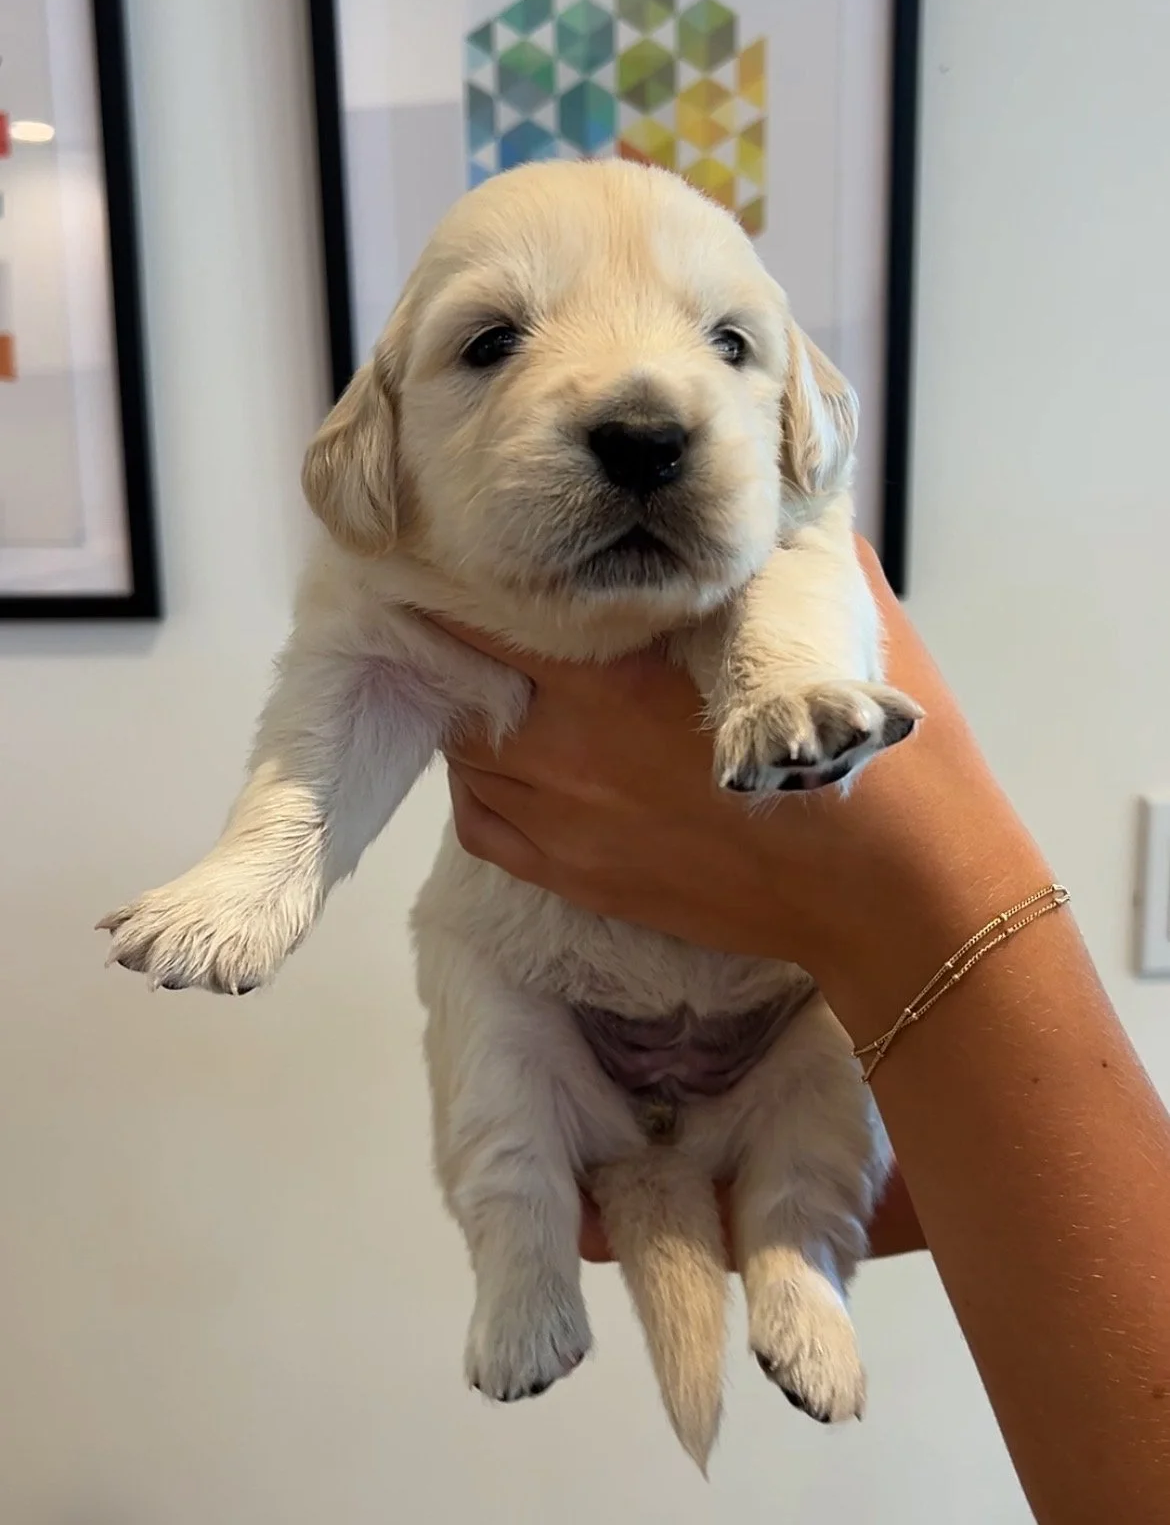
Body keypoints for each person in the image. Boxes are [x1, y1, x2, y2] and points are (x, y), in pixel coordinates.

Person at [435, 540, 1170, 1525]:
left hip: (768, 1029)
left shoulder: (790, 546)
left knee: (819, 1069)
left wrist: (906, 897)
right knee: (484, 1002)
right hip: (572, 1012)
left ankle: (802, 1261)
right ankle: (525, 1256)